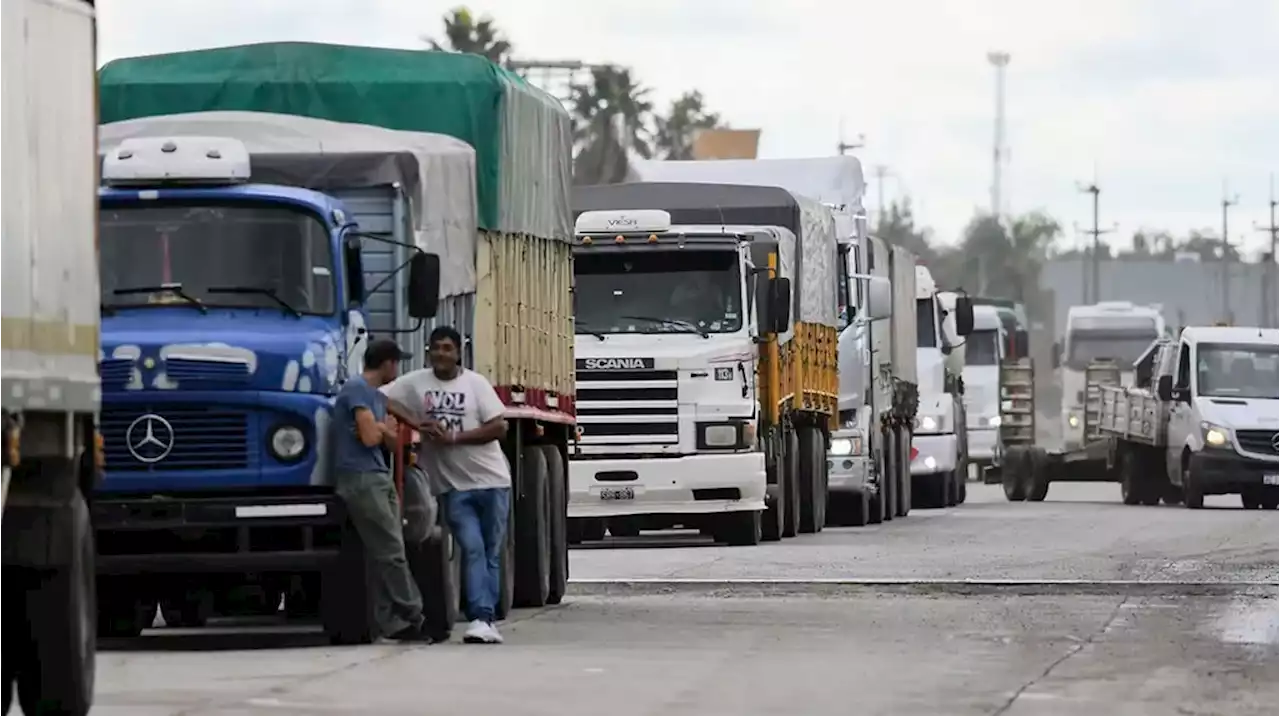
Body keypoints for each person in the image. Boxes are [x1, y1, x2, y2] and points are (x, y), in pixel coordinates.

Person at [382, 326, 512, 645]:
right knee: (472, 547)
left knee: (491, 552)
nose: (441, 353)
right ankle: (480, 618)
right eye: (435, 348)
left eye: (447, 348)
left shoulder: (475, 384)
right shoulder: (415, 382)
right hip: (453, 488)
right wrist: (415, 424)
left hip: (493, 482)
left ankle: (484, 620)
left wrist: (453, 438)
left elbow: (499, 427)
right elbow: (375, 396)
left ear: (458, 353)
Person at [330, 338, 433, 643]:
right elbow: (370, 437)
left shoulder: (374, 395)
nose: (397, 370)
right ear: (387, 363)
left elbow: (388, 438)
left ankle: (390, 621)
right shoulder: (356, 390)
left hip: (377, 475)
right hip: (361, 479)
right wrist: (382, 429)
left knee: (384, 553)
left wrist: (387, 429)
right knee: (391, 552)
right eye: (396, 363)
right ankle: (415, 615)